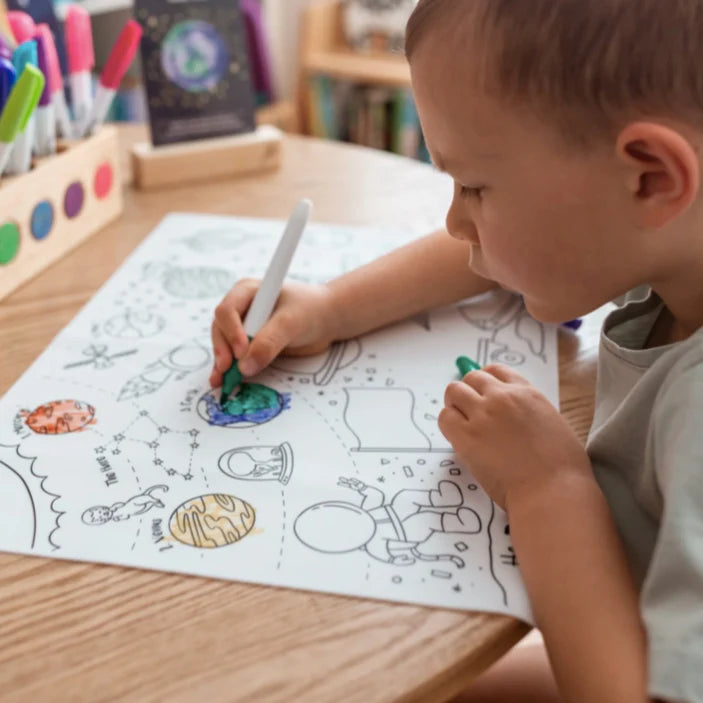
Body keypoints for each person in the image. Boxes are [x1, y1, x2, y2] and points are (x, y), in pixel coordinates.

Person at [211, 1, 703, 699]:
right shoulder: (667, 236)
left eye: (473, 186)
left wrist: (546, 486)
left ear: (650, 177)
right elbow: (487, 248)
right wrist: (333, 306)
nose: (454, 219)